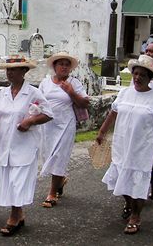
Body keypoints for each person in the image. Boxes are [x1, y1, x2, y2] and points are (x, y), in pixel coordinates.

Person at [0, 57, 53, 236]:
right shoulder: (2, 94)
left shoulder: (33, 93)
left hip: (25, 146)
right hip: (6, 146)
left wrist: (31, 120)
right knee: (10, 182)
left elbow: (48, 113)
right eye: (8, 70)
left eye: (14, 70)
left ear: (24, 71)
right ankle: (19, 213)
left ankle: (14, 216)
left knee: (18, 182)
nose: (10, 73)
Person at [96, 55, 153, 235]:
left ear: (149, 78)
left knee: (139, 181)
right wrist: (102, 132)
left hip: (142, 148)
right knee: (122, 177)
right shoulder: (124, 93)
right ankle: (129, 203)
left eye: (142, 75)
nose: (137, 78)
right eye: (135, 74)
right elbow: (113, 114)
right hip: (122, 144)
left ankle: (135, 216)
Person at [39, 52, 89, 208]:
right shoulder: (45, 83)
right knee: (48, 154)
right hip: (47, 125)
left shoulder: (74, 83)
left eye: (67, 65)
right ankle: (60, 179)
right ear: (54, 66)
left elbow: (84, 103)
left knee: (59, 156)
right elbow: (37, 100)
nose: (64, 67)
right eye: (61, 64)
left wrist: (71, 92)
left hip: (65, 124)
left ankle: (52, 193)